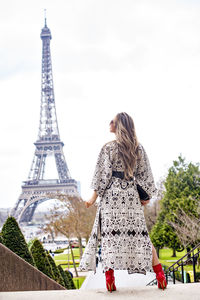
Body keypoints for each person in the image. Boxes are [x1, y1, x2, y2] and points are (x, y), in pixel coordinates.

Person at [79, 112, 167, 292]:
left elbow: (102, 176)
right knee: (142, 236)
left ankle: (110, 279)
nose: (109, 123)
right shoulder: (138, 148)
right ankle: (160, 275)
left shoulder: (108, 148)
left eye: (112, 121)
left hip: (112, 196)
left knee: (109, 238)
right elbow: (145, 175)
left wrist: (93, 198)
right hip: (131, 196)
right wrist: (145, 197)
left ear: (119, 125)